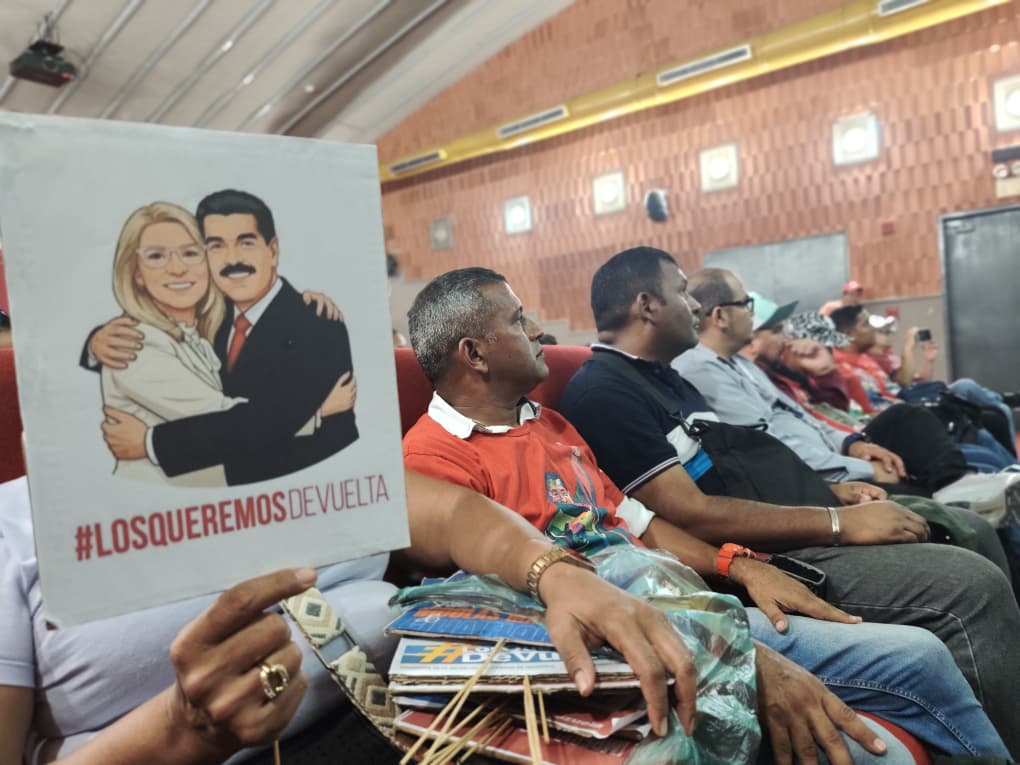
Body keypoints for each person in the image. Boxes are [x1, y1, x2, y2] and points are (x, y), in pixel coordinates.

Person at [401, 266, 1010, 760]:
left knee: (923, 656)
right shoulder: (432, 462)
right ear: (474, 354)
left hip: (690, 604)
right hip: (634, 646)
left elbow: (640, 525)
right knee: (887, 749)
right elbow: (512, 615)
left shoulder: (550, 424)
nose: (538, 330)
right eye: (518, 320)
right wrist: (735, 654)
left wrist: (738, 565)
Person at [1, 468, 709, 763]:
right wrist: (183, 730)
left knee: (695, 686)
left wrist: (552, 570)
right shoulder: (15, 530)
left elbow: (450, 513)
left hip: (431, 710)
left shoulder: (292, 449)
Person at [87, 190, 359, 486]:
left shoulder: (316, 323)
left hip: (296, 491)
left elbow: (251, 425)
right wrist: (92, 344)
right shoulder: (211, 324)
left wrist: (150, 442)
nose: (233, 259)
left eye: (246, 243)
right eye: (216, 246)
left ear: (273, 251)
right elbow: (238, 416)